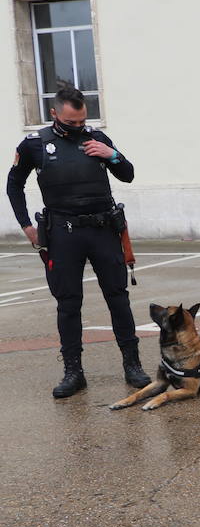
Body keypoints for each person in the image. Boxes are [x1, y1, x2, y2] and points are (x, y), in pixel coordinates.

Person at [7, 83, 150, 398]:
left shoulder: (97, 139)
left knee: (118, 298)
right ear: (54, 113)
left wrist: (112, 155)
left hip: (102, 231)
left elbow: (128, 174)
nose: (78, 128)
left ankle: (132, 366)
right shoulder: (35, 144)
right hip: (63, 235)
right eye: (71, 123)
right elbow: (13, 185)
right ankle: (74, 372)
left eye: (82, 121)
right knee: (68, 305)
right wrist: (26, 226)